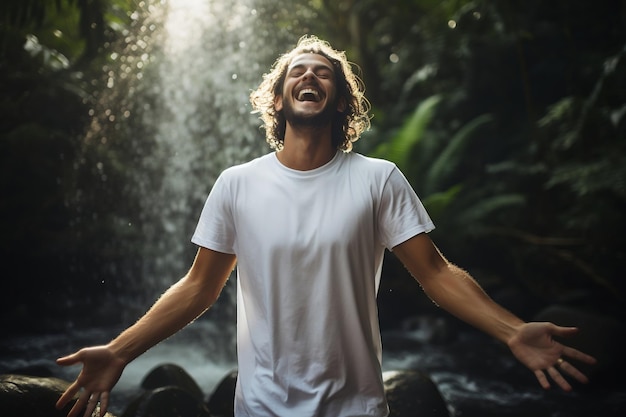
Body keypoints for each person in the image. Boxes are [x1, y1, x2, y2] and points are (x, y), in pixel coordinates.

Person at [56, 35, 597, 417]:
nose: (309, 75)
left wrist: (511, 331)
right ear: (279, 98)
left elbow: (435, 274)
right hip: (262, 407)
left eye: (323, 72)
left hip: (356, 406)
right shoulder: (237, 183)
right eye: (297, 70)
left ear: (340, 99)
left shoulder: (378, 179)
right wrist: (119, 351)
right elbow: (200, 286)